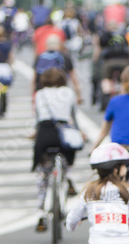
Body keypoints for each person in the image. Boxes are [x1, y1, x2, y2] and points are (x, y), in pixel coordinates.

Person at [32, 67, 79, 231]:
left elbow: (37, 118)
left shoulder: (39, 94)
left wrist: (34, 133)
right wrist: (79, 131)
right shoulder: (69, 93)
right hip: (63, 133)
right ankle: (68, 177)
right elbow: (74, 116)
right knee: (68, 157)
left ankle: (40, 214)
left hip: (44, 133)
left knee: (43, 175)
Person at [34, 34, 82, 104]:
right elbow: (74, 78)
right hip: (61, 93)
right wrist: (79, 95)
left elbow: (34, 79)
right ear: (59, 45)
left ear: (46, 45)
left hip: (42, 93)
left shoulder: (40, 57)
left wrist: (34, 95)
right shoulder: (65, 57)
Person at [93, 21, 129, 104]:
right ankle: (123, 95)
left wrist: (95, 60)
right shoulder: (123, 36)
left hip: (109, 61)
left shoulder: (105, 36)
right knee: (124, 79)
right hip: (123, 61)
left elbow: (99, 49)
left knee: (106, 78)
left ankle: (107, 94)